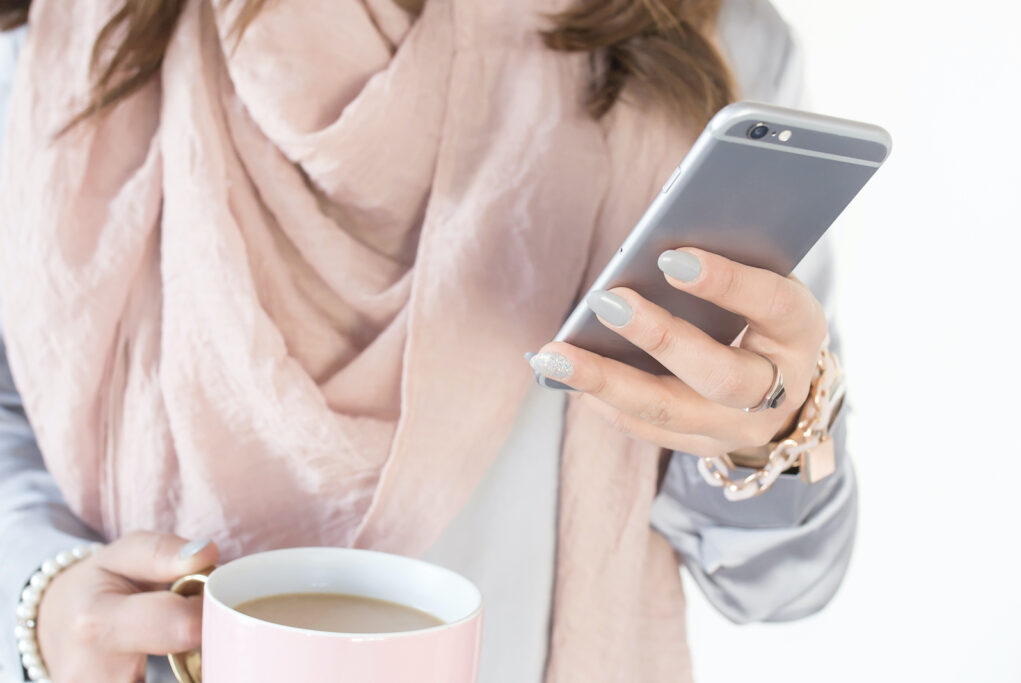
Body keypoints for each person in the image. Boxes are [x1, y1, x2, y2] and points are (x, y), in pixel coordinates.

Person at [0, 0, 857, 681]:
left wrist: (781, 432)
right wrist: (40, 594)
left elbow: (781, 581)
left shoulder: (718, 47)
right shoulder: (57, 44)